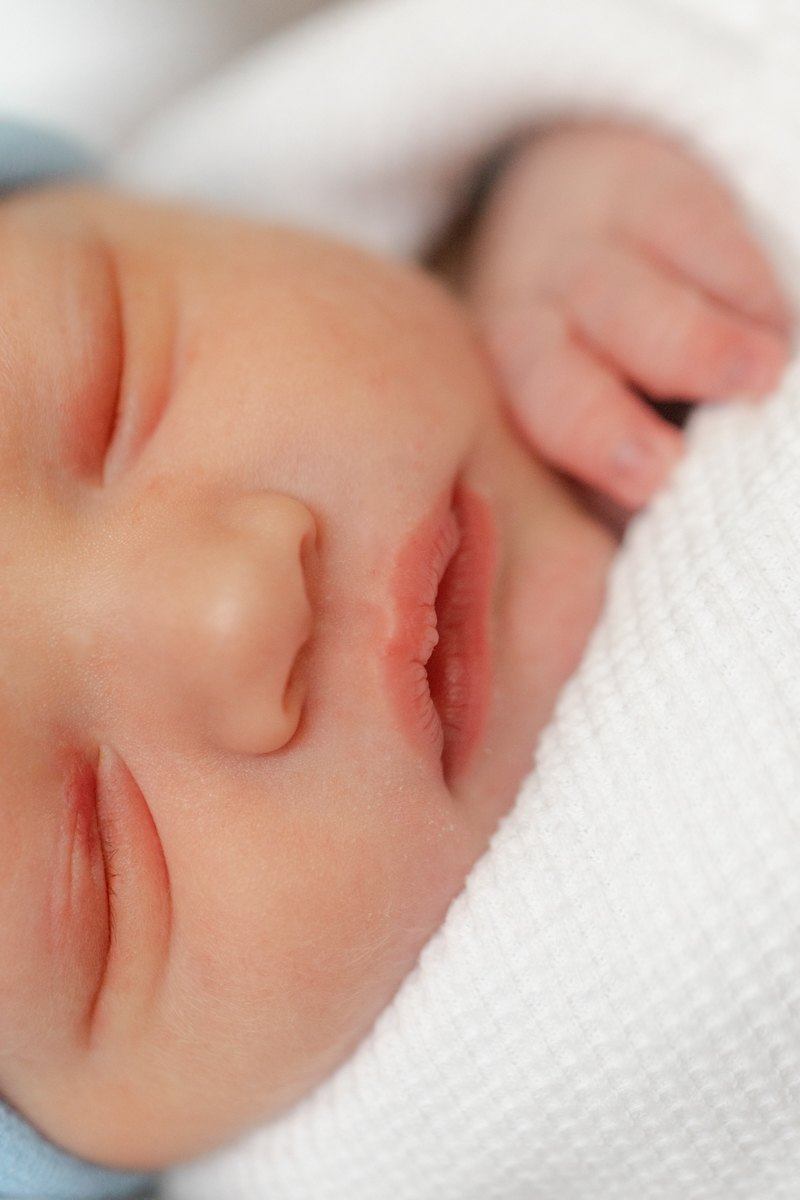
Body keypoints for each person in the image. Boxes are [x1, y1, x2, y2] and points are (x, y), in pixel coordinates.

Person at [0, 107, 789, 1199]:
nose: (242, 606)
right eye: (102, 865)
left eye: (116, 385)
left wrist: (596, 157)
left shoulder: (546, 215)